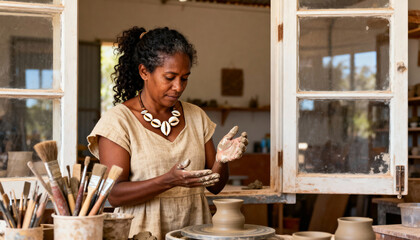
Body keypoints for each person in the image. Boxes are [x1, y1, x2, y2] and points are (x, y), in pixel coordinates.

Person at [87, 26, 248, 239]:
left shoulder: (196, 116)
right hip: (141, 233)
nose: (178, 87)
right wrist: (168, 180)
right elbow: (114, 195)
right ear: (144, 72)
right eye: (170, 77)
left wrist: (222, 160)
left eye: (184, 78)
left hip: (195, 232)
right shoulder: (118, 121)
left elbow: (215, 186)